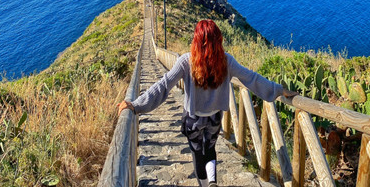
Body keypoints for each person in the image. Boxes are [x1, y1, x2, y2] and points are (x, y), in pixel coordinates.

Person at [118, 19, 297, 187]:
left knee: (197, 153)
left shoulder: (186, 61)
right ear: (218, 39)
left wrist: (136, 104)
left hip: (193, 119)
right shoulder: (227, 61)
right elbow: (252, 78)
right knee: (210, 149)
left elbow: (163, 85)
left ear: (196, 40)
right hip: (214, 118)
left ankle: (204, 184)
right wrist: (279, 89)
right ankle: (212, 180)